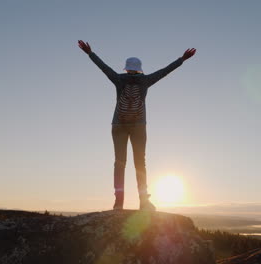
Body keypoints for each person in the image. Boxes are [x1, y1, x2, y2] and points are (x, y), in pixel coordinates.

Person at [78, 40, 196, 211]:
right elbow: (165, 71)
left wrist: (90, 53)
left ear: (126, 68)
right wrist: (182, 59)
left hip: (119, 124)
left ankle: (119, 202)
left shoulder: (119, 79)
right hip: (138, 126)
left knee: (119, 163)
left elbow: (104, 68)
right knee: (140, 163)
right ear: (140, 68)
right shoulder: (145, 80)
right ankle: (144, 202)